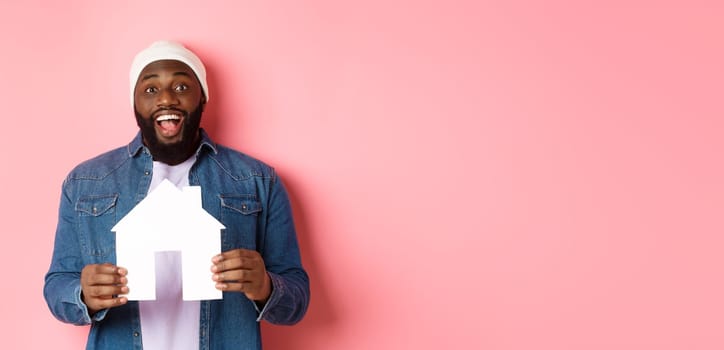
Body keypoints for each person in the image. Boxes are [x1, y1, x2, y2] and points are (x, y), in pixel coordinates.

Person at [44, 40, 310, 349]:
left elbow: (297, 299)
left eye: (182, 87)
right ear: (134, 103)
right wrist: (83, 296)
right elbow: (56, 286)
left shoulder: (258, 180)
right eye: (151, 89)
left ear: (203, 99)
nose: (167, 98)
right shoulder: (86, 182)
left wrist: (266, 286)